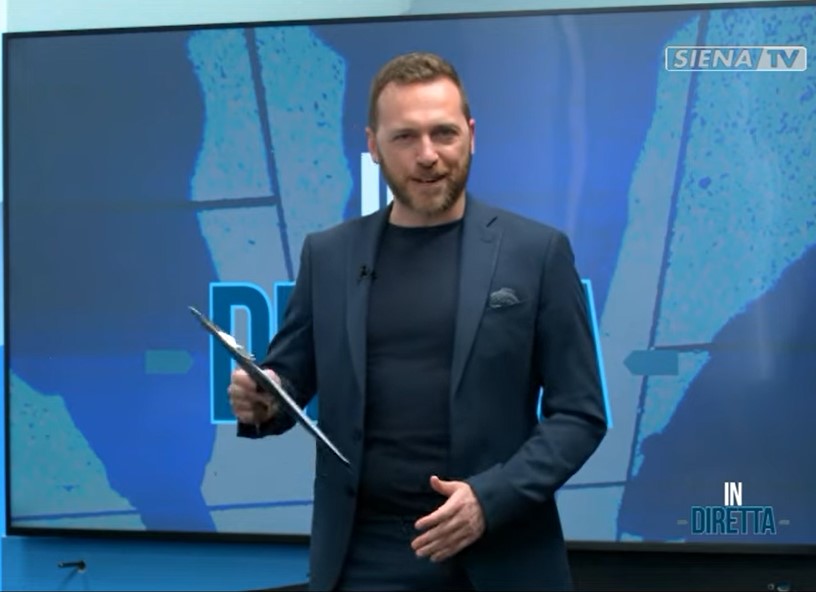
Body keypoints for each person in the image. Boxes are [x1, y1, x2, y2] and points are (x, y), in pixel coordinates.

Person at [227, 51, 607, 591]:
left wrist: (490, 499)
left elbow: (580, 414)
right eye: (405, 137)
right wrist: (263, 400)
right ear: (373, 145)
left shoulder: (537, 253)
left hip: (503, 556)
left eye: (443, 133)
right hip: (362, 562)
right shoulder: (329, 256)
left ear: (471, 134)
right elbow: (288, 379)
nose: (428, 155)